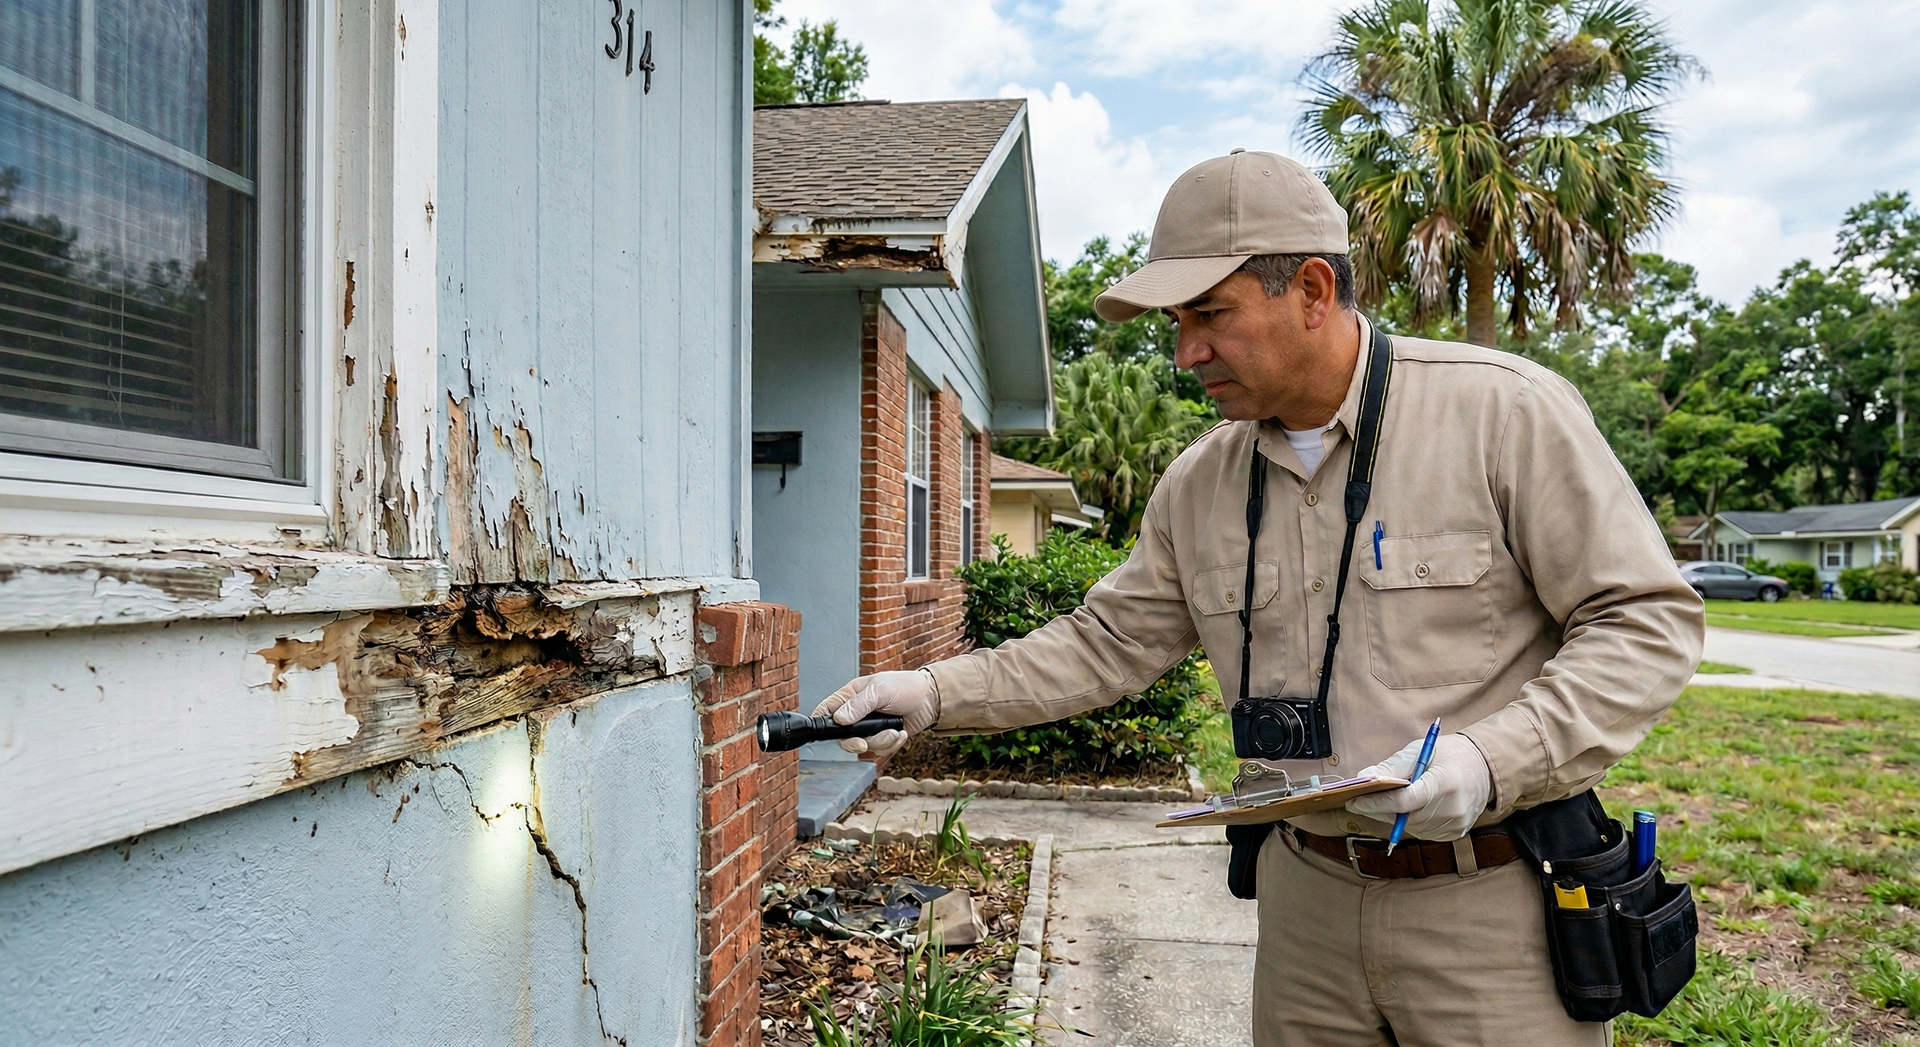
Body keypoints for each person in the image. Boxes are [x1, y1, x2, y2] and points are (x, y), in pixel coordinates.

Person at [813, 148, 1704, 1047]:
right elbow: (1104, 643)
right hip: (1303, 904)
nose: (1184, 350)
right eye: (1177, 320)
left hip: (1491, 902)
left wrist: (1486, 761)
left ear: (1313, 290)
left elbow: (1644, 621)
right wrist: (929, 693)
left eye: (1211, 314)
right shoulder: (1200, 483)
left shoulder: (1504, 414)